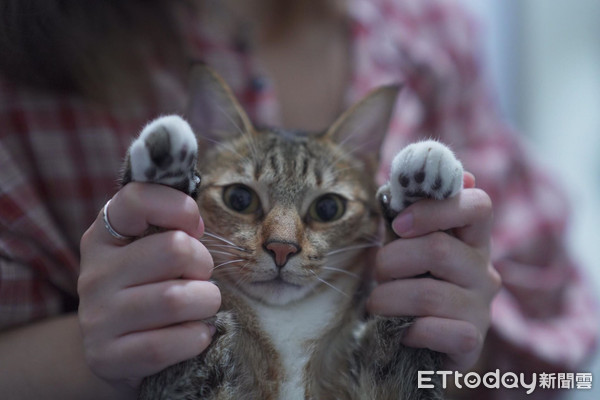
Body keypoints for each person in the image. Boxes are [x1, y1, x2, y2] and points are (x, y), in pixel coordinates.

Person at [0, 0, 596, 399]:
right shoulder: (24, 78)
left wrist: (456, 323)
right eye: (239, 198)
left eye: (326, 209)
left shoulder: (422, 28)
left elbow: (547, 356)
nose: (282, 245)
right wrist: (102, 355)